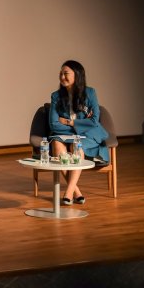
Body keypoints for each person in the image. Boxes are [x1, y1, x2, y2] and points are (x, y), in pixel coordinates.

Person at [49, 60, 109, 205]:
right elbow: (54, 124)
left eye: (66, 73)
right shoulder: (56, 96)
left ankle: (69, 192)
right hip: (69, 134)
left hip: (87, 135)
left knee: (76, 146)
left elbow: (94, 121)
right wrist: (82, 125)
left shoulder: (90, 93)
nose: (62, 77)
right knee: (57, 143)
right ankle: (75, 191)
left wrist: (70, 122)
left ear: (77, 75)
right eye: (61, 74)